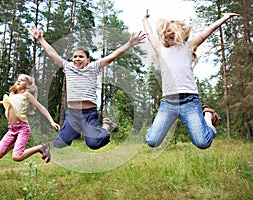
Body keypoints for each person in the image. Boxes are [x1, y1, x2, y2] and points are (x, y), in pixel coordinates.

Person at [30, 26, 146, 150]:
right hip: (72, 114)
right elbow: (52, 53)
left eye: (81, 56)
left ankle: (107, 126)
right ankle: (59, 141)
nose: (77, 59)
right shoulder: (67, 67)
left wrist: (129, 44)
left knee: (93, 144)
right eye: (75, 57)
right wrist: (40, 38)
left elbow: (113, 56)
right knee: (59, 143)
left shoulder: (93, 67)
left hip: (89, 113)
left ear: (87, 59)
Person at [143, 10, 240, 149]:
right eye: (167, 33)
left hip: (189, 101)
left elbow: (208, 31)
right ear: (163, 35)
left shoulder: (188, 47)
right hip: (168, 103)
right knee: (152, 141)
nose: (169, 36)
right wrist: (144, 20)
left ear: (179, 34)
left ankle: (208, 117)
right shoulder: (160, 49)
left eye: (173, 34)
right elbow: (149, 34)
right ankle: (154, 130)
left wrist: (224, 18)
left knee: (202, 142)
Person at [0, 74, 60, 163]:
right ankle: (16, 143)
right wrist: (2, 102)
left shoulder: (26, 95)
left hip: (22, 128)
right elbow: (14, 104)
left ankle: (41, 147)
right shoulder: (12, 94)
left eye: (22, 80)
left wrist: (52, 122)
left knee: (17, 157)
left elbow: (41, 108)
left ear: (28, 85)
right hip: (11, 128)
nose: (18, 81)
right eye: (18, 79)